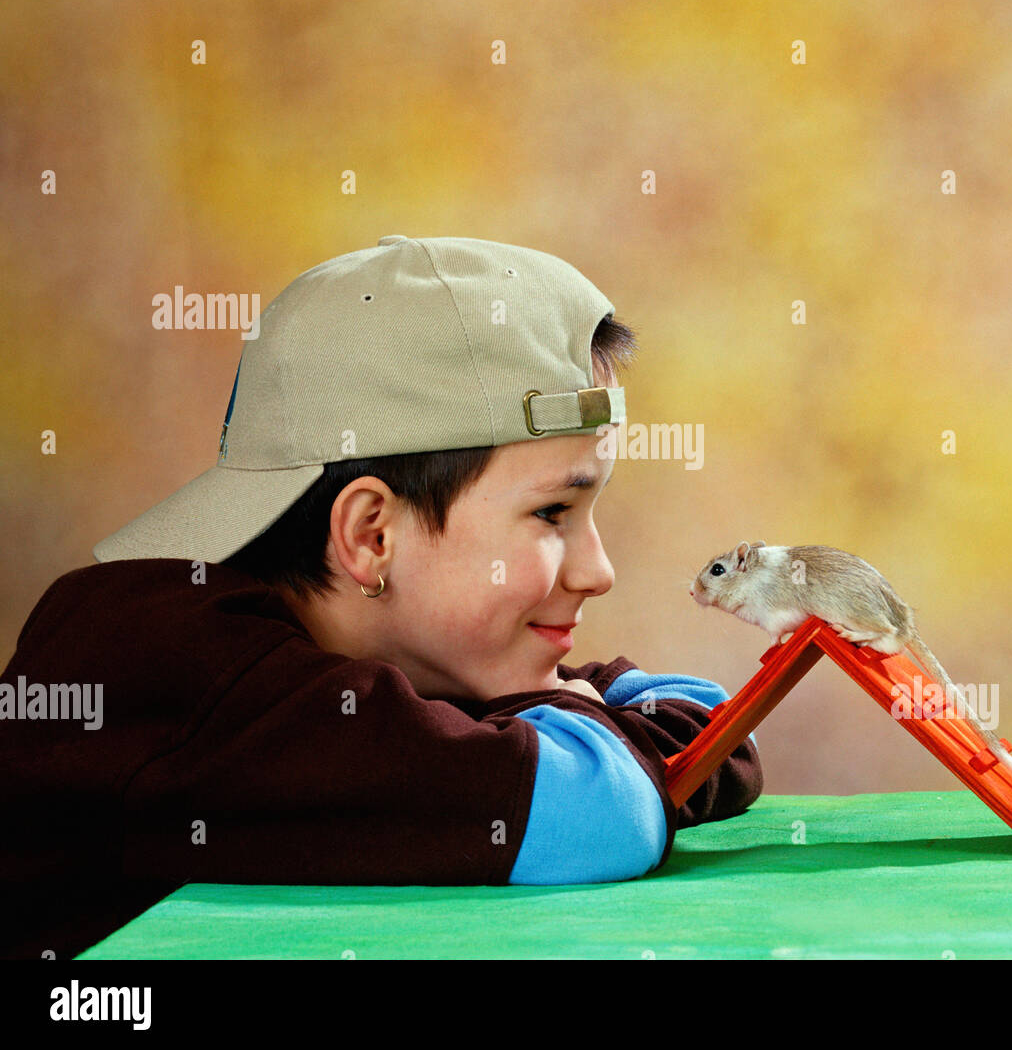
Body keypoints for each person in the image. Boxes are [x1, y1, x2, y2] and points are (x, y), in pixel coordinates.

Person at [0, 236, 762, 959]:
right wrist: (591, 720)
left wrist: (586, 716)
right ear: (372, 537)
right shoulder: (191, 681)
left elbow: (714, 730)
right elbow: (604, 814)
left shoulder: (341, 670)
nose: (599, 571)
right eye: (553, 514)